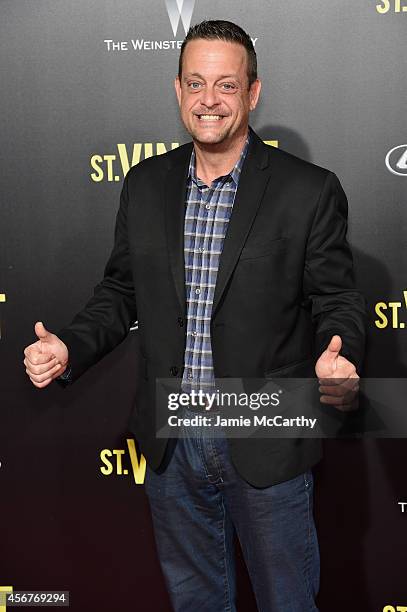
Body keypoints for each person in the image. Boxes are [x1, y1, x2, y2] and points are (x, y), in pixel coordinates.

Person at [23, 20, 365, 612]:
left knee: (288, 602)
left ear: (253, 93)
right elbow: (120, 292)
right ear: (177, 89)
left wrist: (344, 356)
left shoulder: (307, 191)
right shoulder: (145, 185)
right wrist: (71, 347)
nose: (209, 100)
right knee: (196, 603)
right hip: (172, 441)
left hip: (267, 433)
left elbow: (337, 300)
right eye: (196, 83)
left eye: (226, 86)